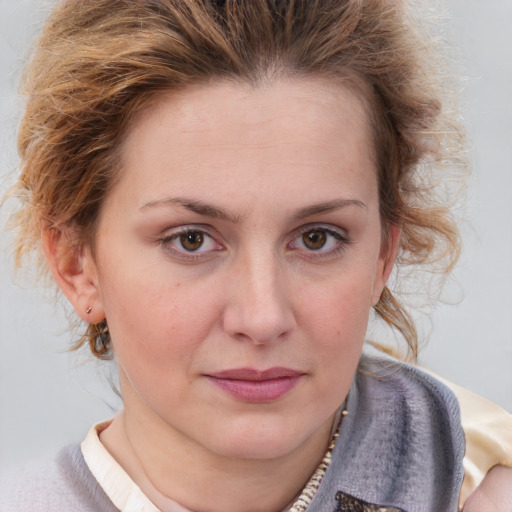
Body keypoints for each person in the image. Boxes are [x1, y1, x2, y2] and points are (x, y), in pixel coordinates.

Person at [1, 0, 511, 511]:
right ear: (77, 266)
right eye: (191, 240)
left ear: (383, 256)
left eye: (317, 238)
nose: (262, 318)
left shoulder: (483, 481)